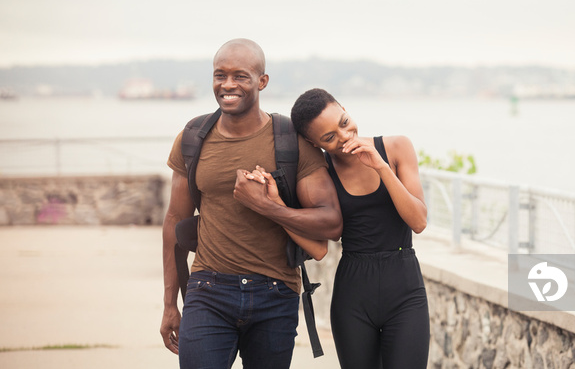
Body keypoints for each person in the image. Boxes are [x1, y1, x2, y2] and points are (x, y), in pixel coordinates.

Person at [159, 39, 343, 369]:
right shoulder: (192, 137)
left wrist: (266, 205)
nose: (227, 85)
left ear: (262, 81)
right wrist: (170, 302)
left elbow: (331, 223)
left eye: (240, 76)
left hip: (276, 292)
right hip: (208, 289)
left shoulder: (292, 141)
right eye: (220, 75)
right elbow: (174, 219)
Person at [289, 88, 430, 369]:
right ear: (311, 142)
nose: (344, 137)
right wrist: (272, 209)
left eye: (343, 122)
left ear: (344, 107)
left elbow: (419, 222)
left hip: (405, 290)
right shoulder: (321, 174)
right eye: (329, 137)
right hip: (353, 295)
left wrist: (381, 166)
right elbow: (320, 247)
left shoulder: (397, 147)